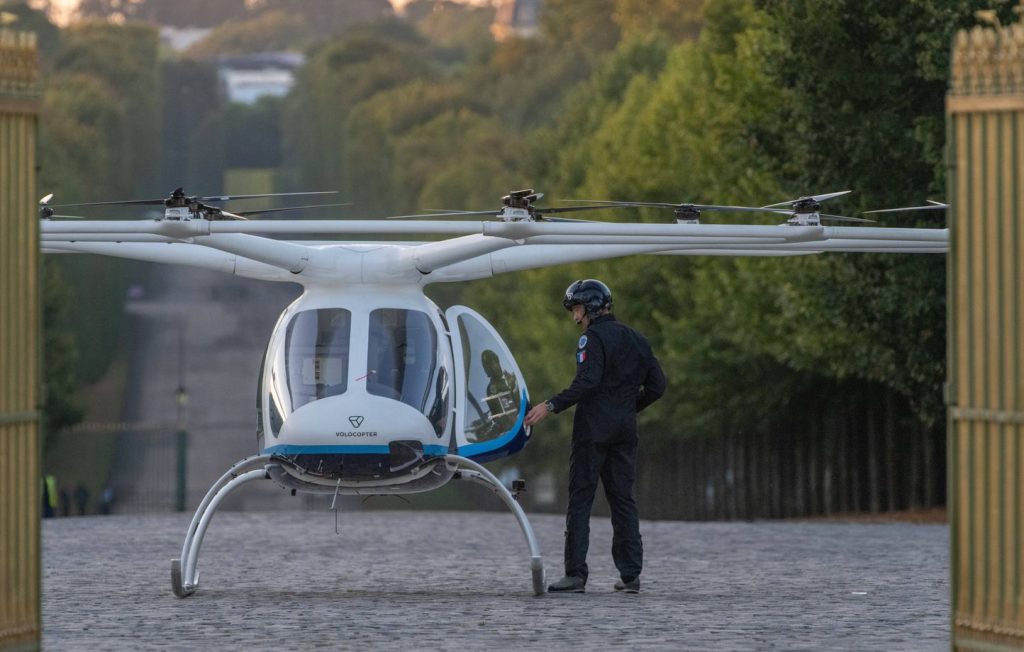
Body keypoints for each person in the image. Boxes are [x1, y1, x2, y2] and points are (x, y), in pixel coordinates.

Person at [524, 279, 666, 594]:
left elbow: (587, 382)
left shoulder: (592, 339)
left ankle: (575, 575)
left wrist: (550, 405)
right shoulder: (638, 340)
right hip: (625, 431)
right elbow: (658, 386)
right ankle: (631, 575)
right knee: (623, 500)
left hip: (592, 432)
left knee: (581, 501)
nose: (575, 318)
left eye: (576, 310)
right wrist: (627, 408)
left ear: (589, 307)